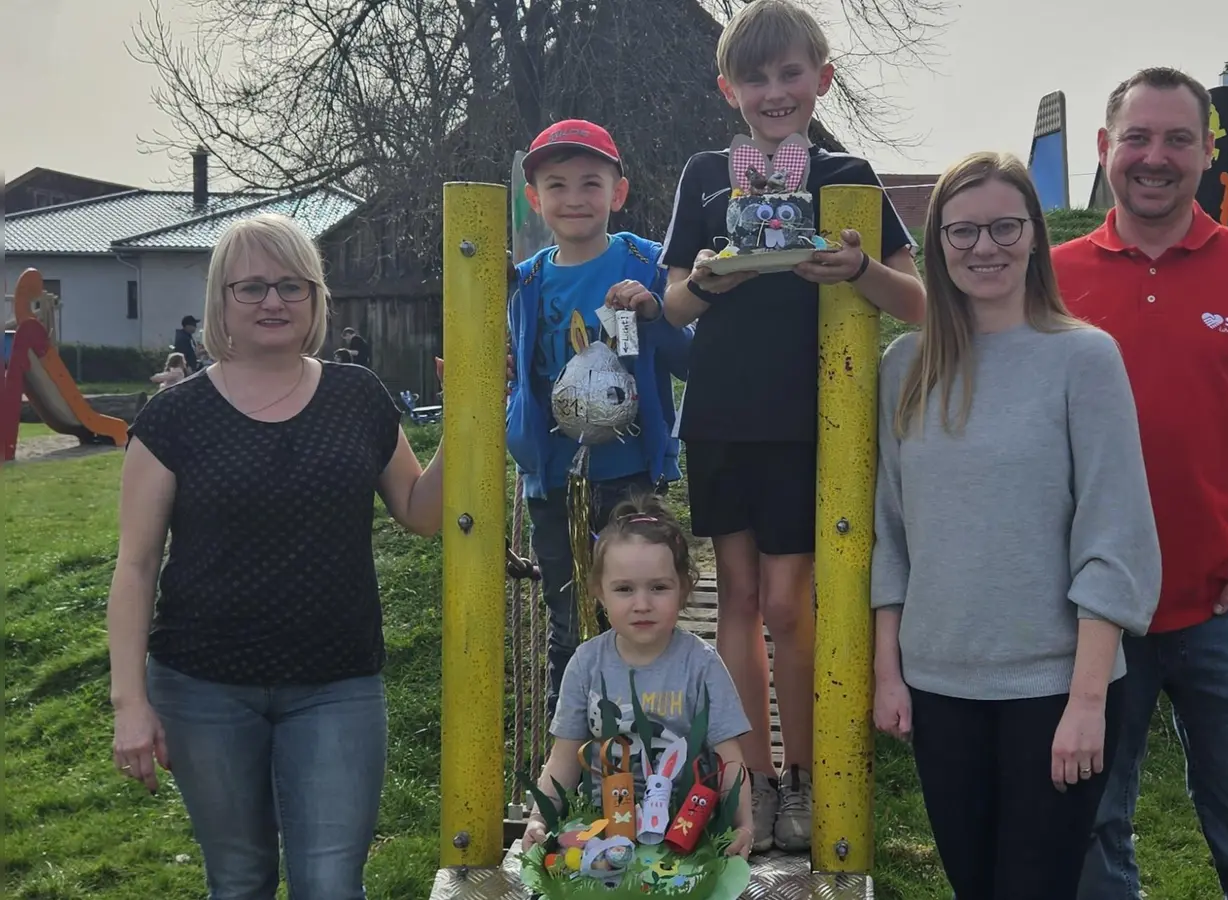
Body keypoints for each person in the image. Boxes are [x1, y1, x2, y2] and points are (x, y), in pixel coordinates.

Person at [1051, 67, 1228, 900]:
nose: (1156, 157)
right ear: (1105, 149)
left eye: (1179, 138)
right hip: (1093, 617)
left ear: (1209, 153)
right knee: (1091, 841)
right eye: (1137, 138)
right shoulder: (1053, 280)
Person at [107, 212, 445, 900]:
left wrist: (471, 418)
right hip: (204, 688)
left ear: (317, 299)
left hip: (337, 684)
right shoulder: (173, 419)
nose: (273, 302)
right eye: (252, 287)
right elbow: (135, 566)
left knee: (329, 883)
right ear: (220, 302)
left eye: (293, 286)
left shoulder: (358, 397)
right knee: (239, 881)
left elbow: (421, 513)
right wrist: (129, 703)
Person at [656, 0, 926, 853]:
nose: (774, 92)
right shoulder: (705, 173)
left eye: (790, 74)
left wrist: (858, 268)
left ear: (822, 79)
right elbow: (670, 303)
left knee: (785, 603)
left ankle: (804, 776)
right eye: (756, 77)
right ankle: (755, 782)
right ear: (727, 87)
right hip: (721, 416)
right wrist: (707, 284)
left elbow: (919, 303)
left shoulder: (846, 173)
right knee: (736, 598)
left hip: (812, 420)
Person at [870, 151, 1161, 900]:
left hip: (1055, 689)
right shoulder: (905, 368)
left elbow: (1116, 539)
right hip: (940, 688)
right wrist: (886, 671)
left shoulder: (1085, 360)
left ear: (1034, 235)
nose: (984, 248)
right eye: (962, 232)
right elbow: (892, 532)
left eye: (1005, 226)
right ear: (936, 244)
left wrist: (1088, 703)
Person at [507, 117, 694, 721]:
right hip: (555, 482)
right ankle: (581, 754)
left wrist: (656, 314)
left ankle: (653, 740)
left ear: (619, 192)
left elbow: (693, 359)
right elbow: (519, 371)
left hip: (631, 473)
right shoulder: (526, 281)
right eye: (556, 185)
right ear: (535, 200)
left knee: (642, 610)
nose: (574, 198)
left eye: (591, 183)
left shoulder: (647, 261)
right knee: (568, 619)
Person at [519, 493, 755, 859]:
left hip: (687, 832)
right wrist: (540, 816)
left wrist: (742, 826)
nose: (642, 604)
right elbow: (564, 757)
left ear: (683, 589)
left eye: (659, 587)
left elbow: (730, 759)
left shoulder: (701, 664)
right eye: (624, 589)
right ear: (600, 593)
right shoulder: (586, 663)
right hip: (604, 828)